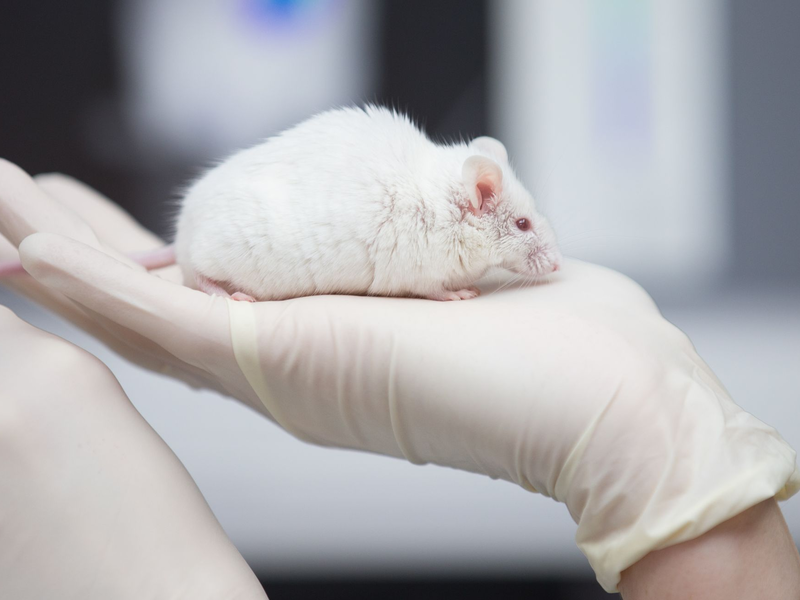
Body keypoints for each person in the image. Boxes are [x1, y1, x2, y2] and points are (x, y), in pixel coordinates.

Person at [0, 159, 798, 598]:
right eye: (520, 227)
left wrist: (175, 585)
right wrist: (686, 492)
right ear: (478, 200)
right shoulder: (435, 213)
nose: (539, 248)